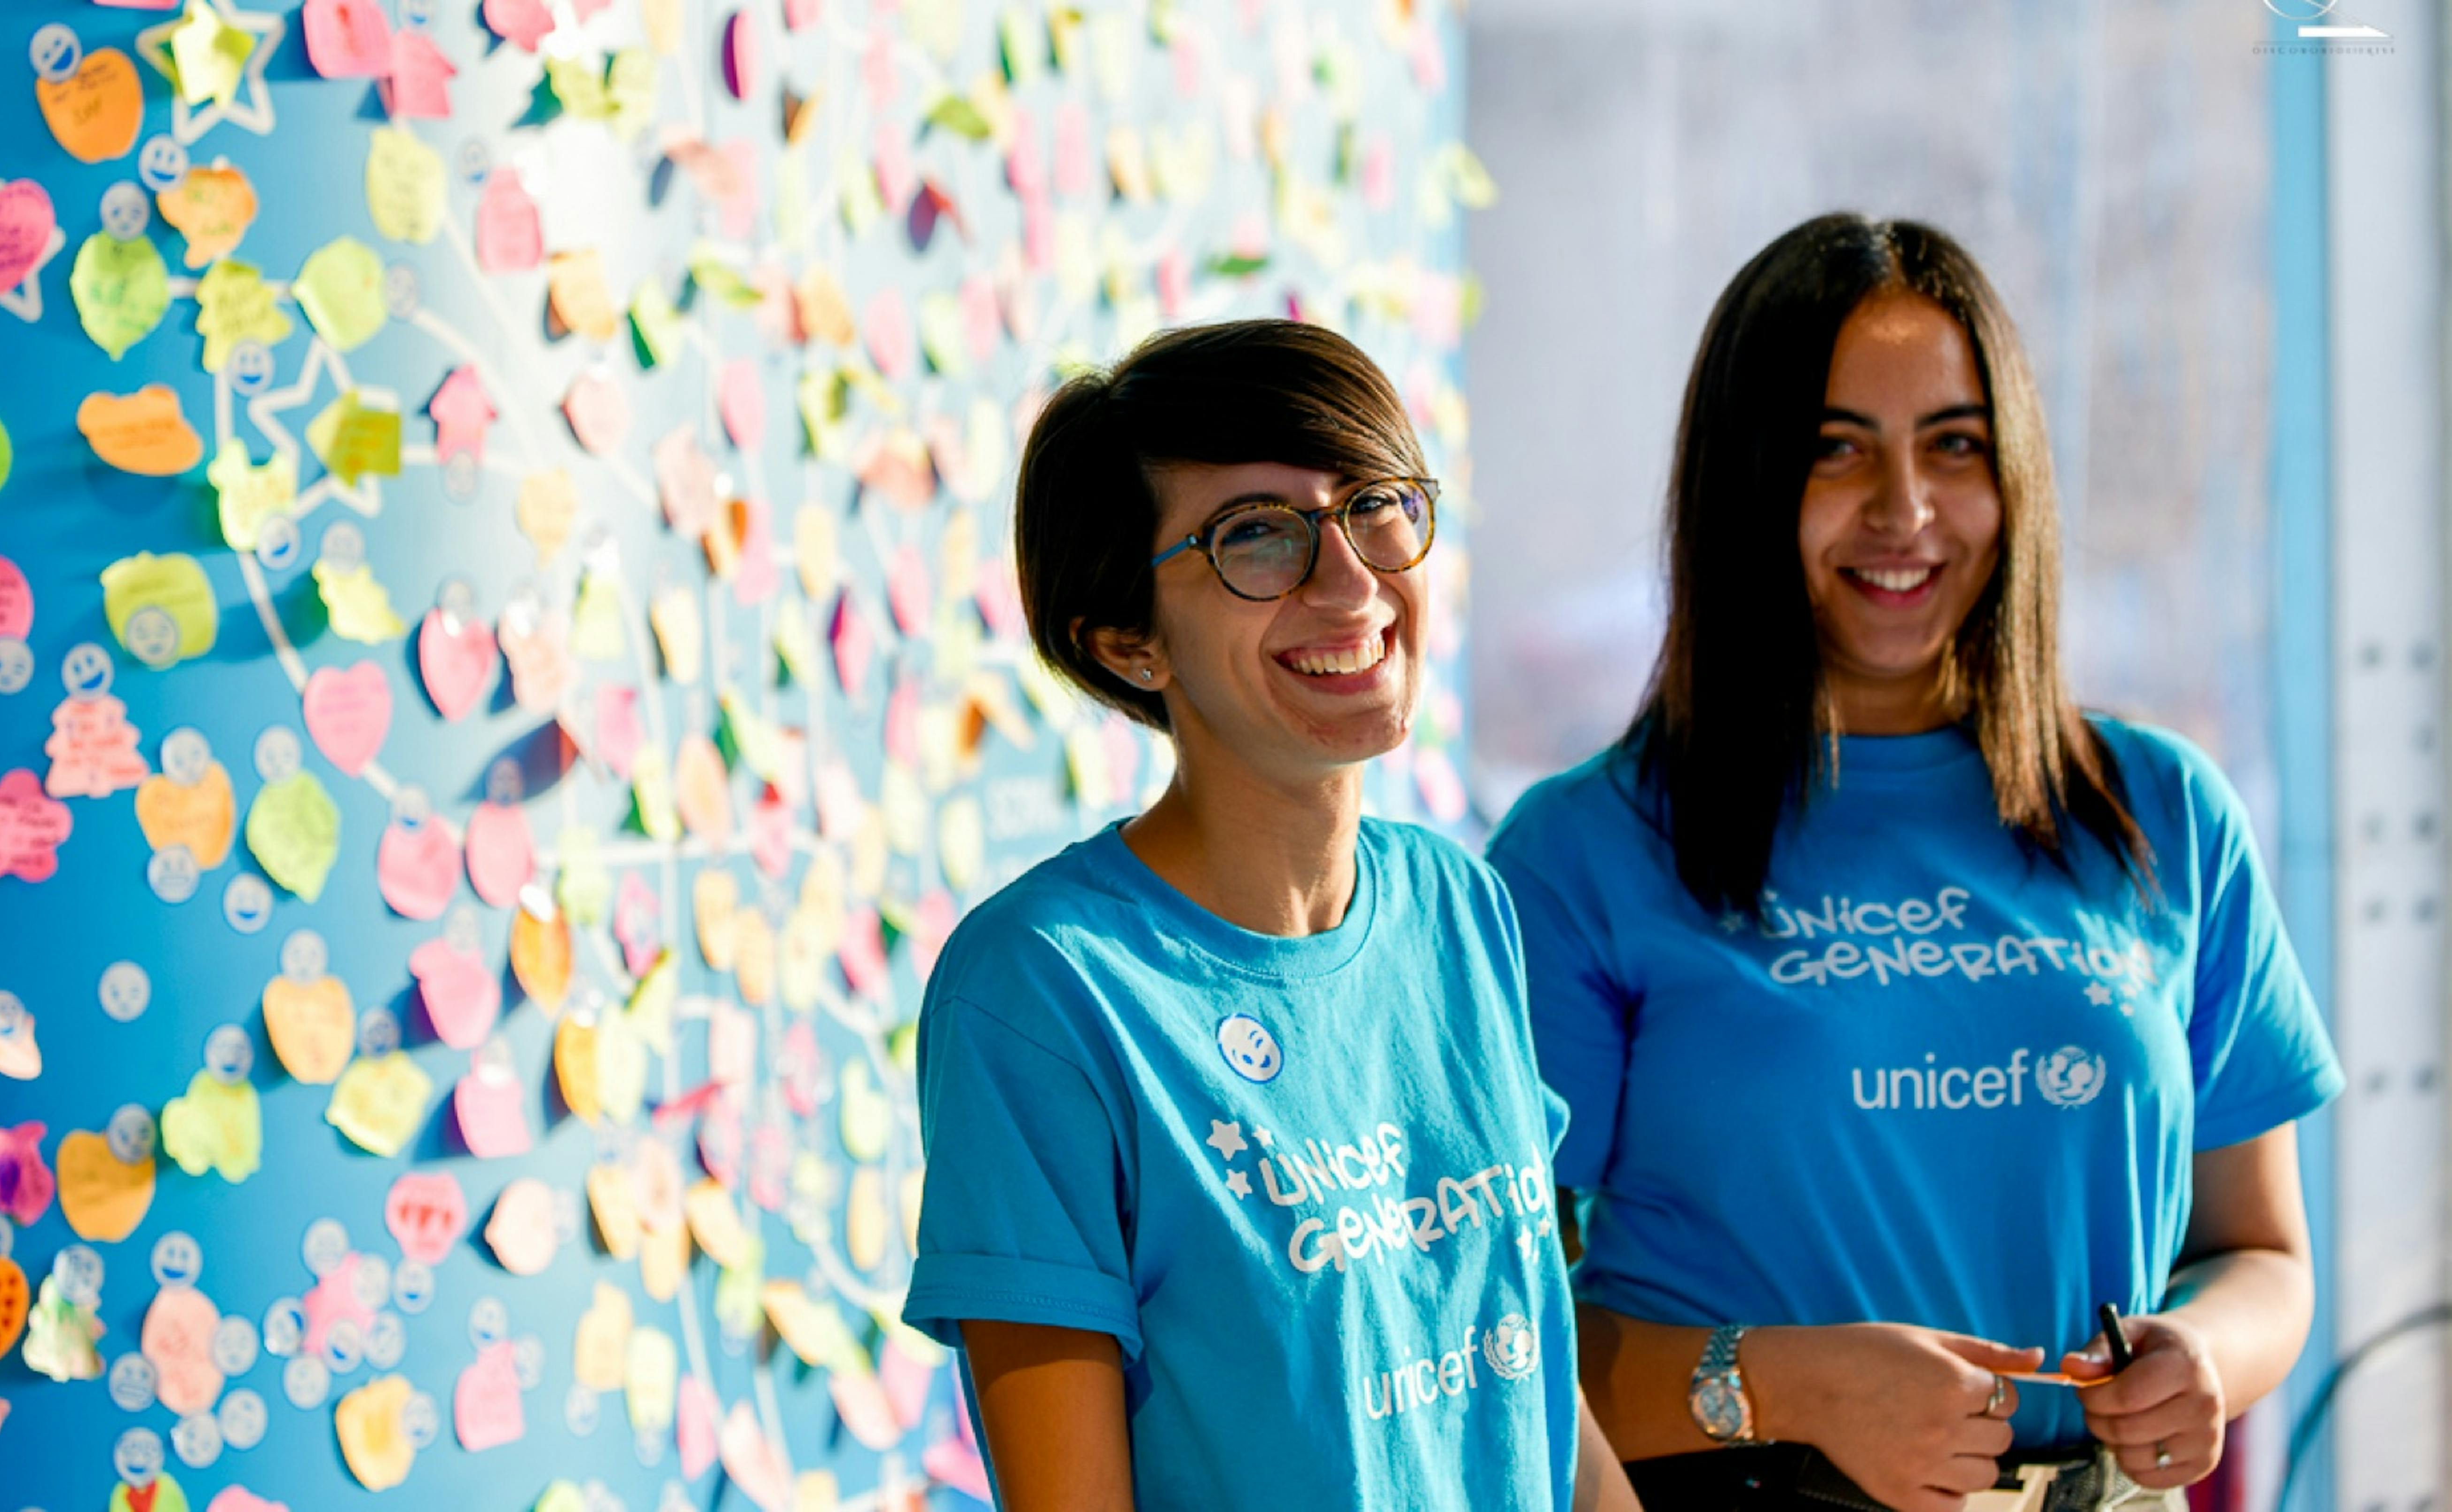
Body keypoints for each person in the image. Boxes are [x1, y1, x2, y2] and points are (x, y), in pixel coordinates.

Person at [1486, 214, 2342, 1512]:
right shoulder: (1582, 856)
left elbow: (2264, 1253)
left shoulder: (2163, 811)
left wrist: (2204, 1356)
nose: (1907, 512)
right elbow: (1496, 1350)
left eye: (1956, 446)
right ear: (1747, 481)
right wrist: (1790, 1385)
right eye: (1837, 452)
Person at [902, 319, 1638, 1511]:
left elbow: (1540, 1402)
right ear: (1130, 643)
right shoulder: (1044, 990)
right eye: (1258, 538)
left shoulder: (1462, 908)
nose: (1351, 582)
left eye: (1376, 505)